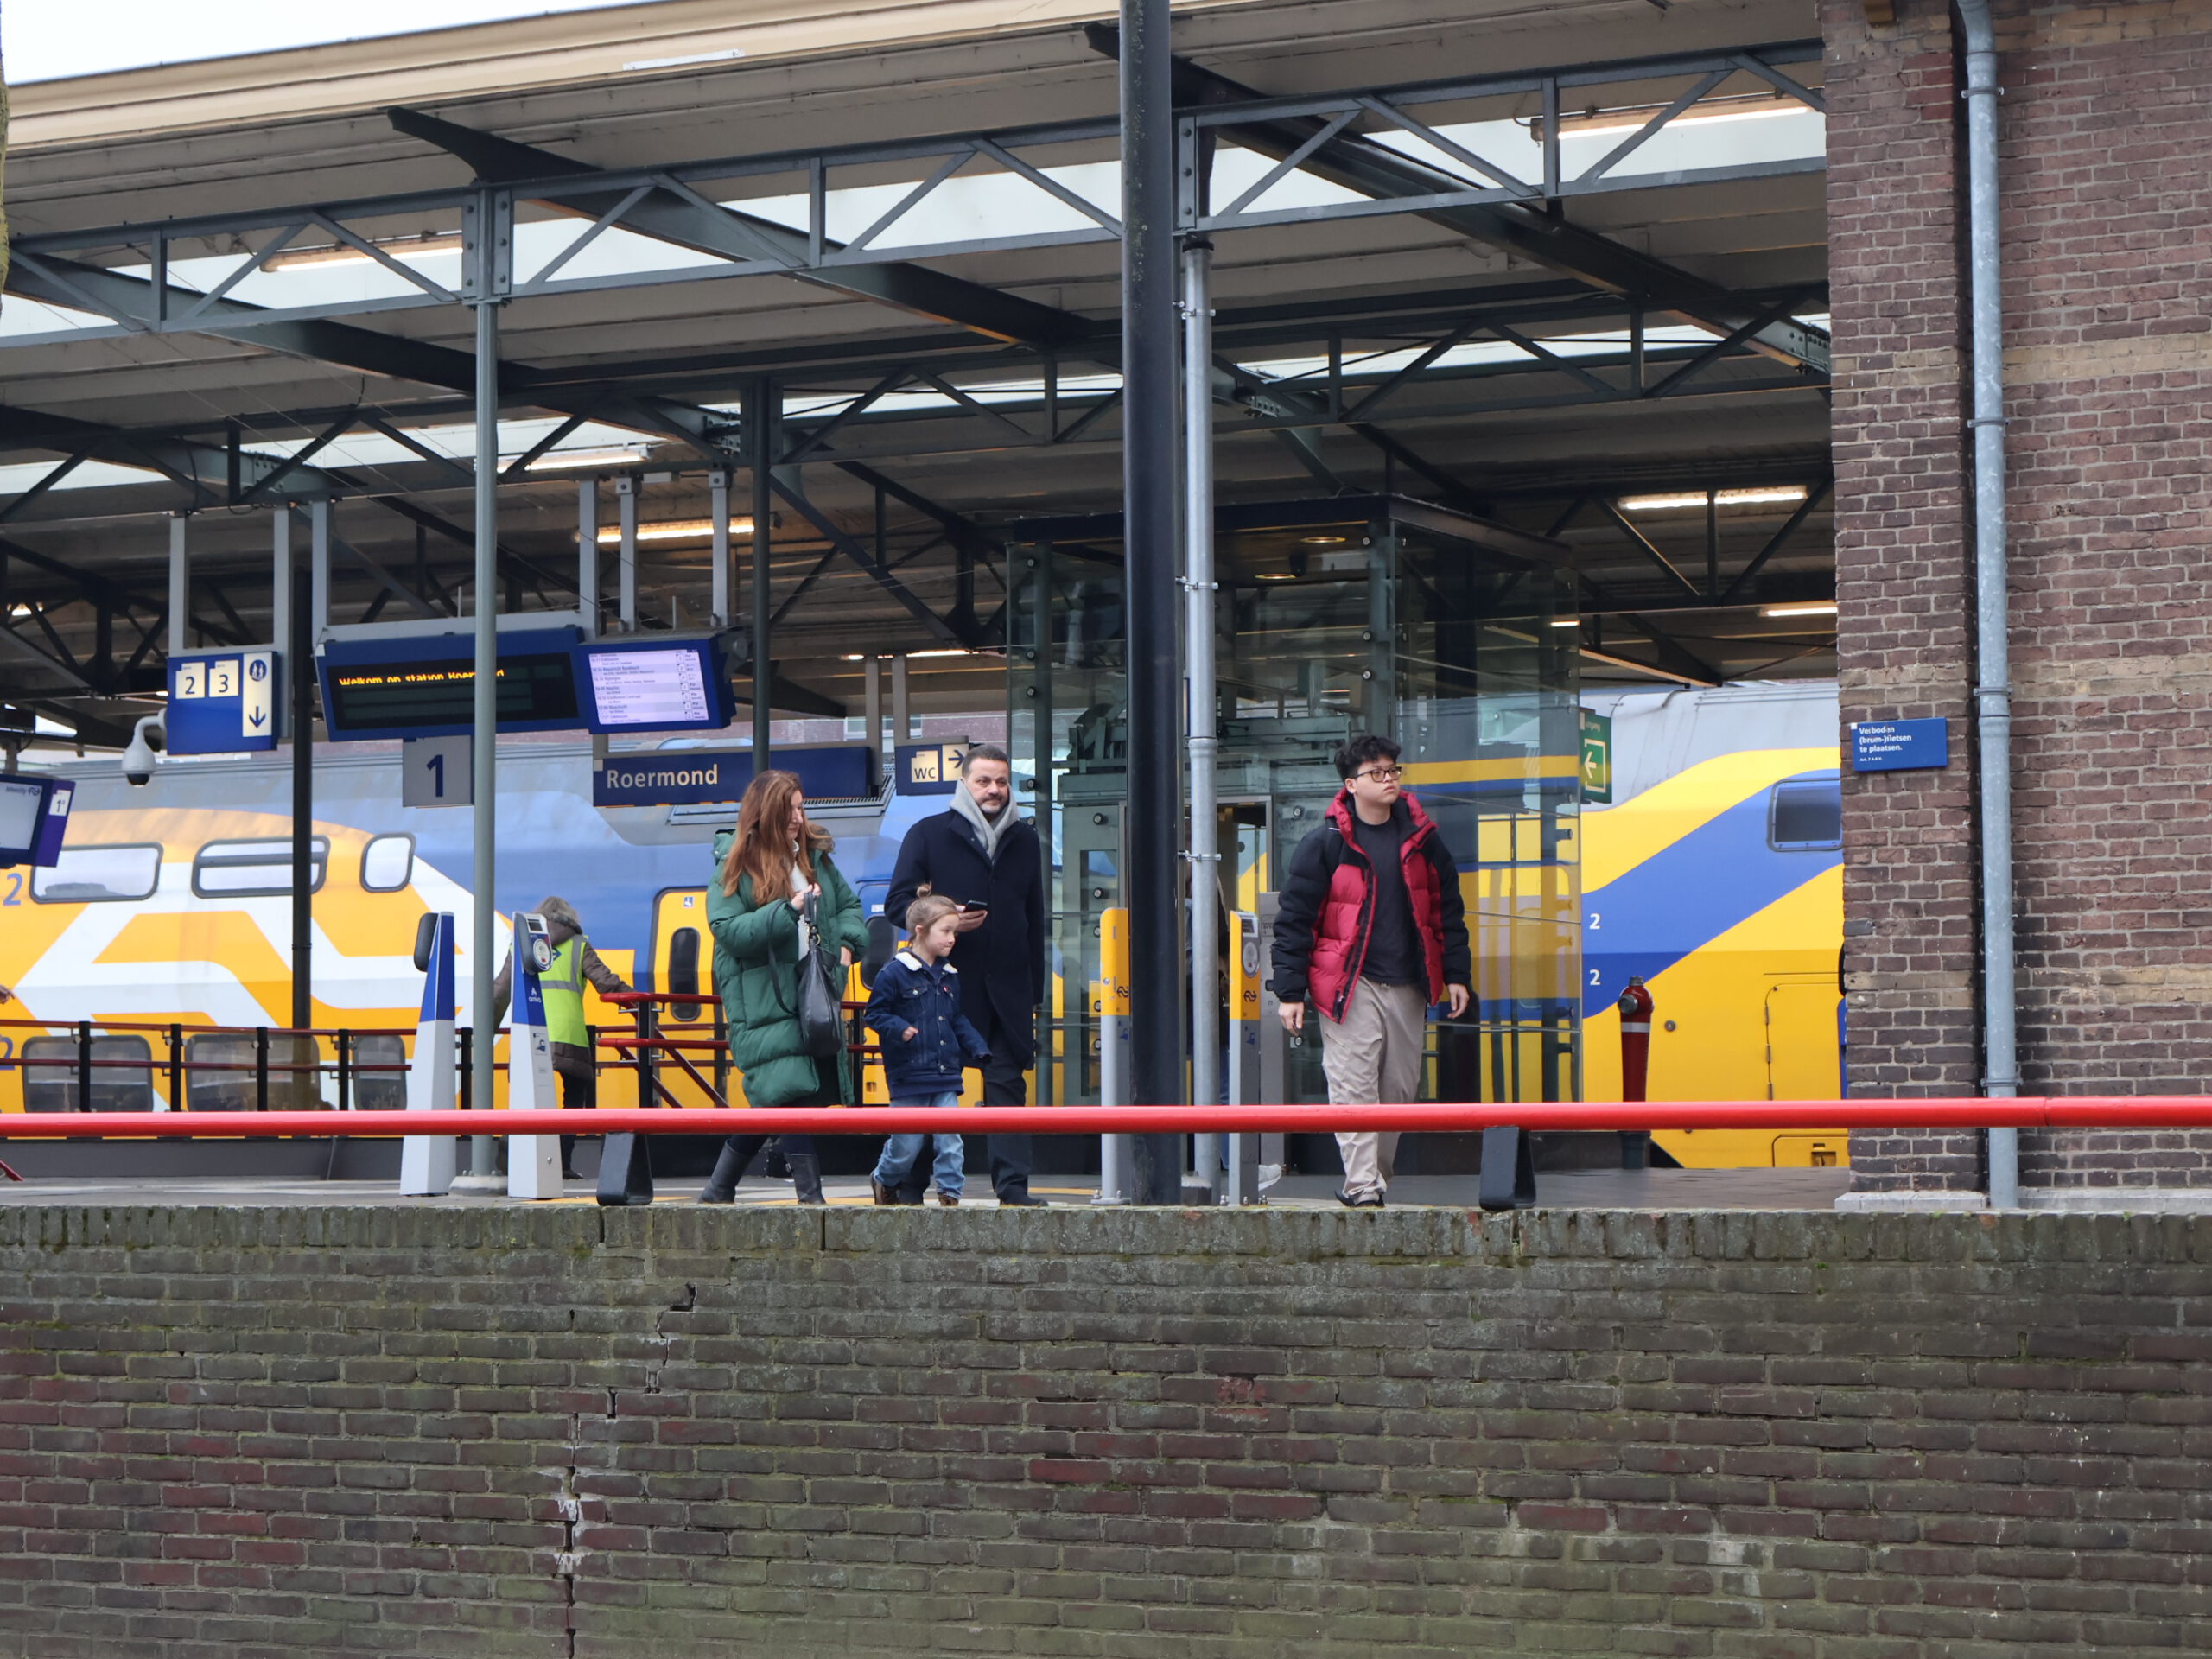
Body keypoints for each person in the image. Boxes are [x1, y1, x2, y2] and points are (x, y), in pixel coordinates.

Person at [1271, 734, 1472, 1208]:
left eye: (1393, 771)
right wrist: (1290, 990)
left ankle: (1371, 1181)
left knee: (1398, 1093)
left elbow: (1448, 913)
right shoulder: (1326, 843)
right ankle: (1363, 1188)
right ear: (1351, 784)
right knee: (1354, 1086)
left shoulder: (1424, 840)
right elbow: (1295, 919)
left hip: (1408, 984)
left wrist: (1457, 974)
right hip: (1350, 983)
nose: (1388, 780)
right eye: (1376, 773)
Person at [884, 742, 1048, 1205]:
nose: (993, 790)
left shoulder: (1026, 839)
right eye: (983, 781)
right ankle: (909, 1189)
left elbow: (1034, 918)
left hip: (1007, 990)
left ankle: (1014, 1191)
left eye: (1001, 781)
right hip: (940, 988)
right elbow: (897, 904)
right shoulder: (928, 834)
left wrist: (1032, 990)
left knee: (1007, 1087)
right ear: (965, 785)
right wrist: (943, 913)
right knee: (929, 1090)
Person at [697, 769, 870, 1205]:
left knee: (785, 1094)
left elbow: (849, 905)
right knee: (791, 1092)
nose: (798, 816)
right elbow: (728, 929)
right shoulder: (735, 865)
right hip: (763, 1000)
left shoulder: (813, 857)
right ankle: (810, 1199)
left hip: (812, 991)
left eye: (799, 806)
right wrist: (786, 911)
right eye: (789, 808)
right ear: (765, 812)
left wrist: (847, 948)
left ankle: (719, 1190)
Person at [491, 895, 630, 1180]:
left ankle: (510, 1160)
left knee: (523, 1102)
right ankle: (563, 1165)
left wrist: (487, 1029)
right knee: (572, 1105)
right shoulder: (579, 944)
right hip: (570, 1035)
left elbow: (500, 991)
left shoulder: (519, 944)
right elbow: (605, 982)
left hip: (528, 1032)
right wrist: (637, 1002)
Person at [863, 895, 990, 1205]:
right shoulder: (893, 973)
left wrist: (977, 1047)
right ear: (920, 931)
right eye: (946, 931)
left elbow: (955, 1017)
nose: (951, 939)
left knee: (951, 1140)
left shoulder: (950, 975)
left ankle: (950, 1193)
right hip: (908, 1074)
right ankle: (884, 1178)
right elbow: (874, 1014)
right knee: (906, 1144)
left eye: (954, 933)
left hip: (945, 1072)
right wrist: (899, 1028)